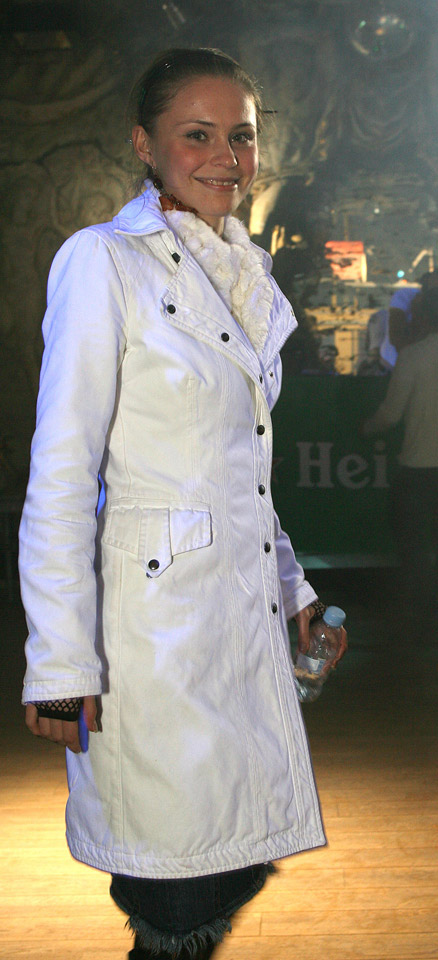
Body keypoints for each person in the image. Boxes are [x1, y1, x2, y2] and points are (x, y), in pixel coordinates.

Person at [19, 47, 346, 960]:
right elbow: (61, 475)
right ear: (144, 144)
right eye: (197, 134)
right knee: (174, 896)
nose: (226, 158)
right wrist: (59, 662)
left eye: (241, 136)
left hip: (236, 635)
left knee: (228, 867)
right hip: (150, 648)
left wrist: (295, 593)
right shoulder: (103, 261)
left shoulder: (245, 275)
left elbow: (242, 474)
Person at [362, 286, 438, 622]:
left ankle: (417, 611)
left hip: (417, 467)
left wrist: (365, 428)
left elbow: (391, 415)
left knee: (413, 544)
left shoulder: (412, 357)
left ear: (423, 317)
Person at [387, 266, 438, 359]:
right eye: (437, 290)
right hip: (396, 360)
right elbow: (396, 337)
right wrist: (417, 312)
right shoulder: (404, 296)